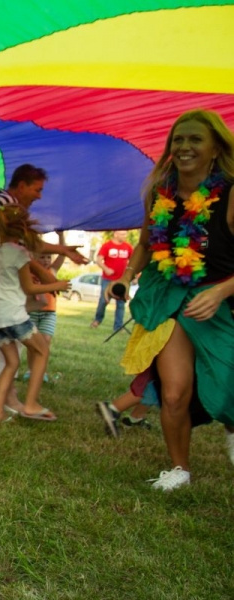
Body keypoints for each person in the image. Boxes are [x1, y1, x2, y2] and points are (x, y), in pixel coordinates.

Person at [112, 109, 234, 491]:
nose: (184, 146)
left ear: (215, 148)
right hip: (170, 299)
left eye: (195, 139)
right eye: (178, 139)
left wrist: (220, 291)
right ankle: (179, 469)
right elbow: (146, 244)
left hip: (224, 300)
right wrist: (127, 275)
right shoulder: (159, 193)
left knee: (226, 386)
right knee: (174, 391)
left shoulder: (231, 193)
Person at [0, 164, 87, 411]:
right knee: (10, 339)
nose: (39, 196)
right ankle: (7, 396)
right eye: (37, 190)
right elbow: (20, 249)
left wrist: (60, 253)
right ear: (22, 185)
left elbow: (22, 247)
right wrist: (48, 275)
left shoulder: (5, 205)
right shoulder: (5, 207)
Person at [0, 206, 70, 423]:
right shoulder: (19, 253)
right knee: (42, 351)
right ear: (22, 228)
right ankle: (31, 404)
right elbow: (29, 288)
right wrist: (57, 285)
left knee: (11, 363)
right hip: (12, 315)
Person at [22, 237, 66, 382]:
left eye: (48, 257)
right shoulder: (29, 271)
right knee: (32, 344)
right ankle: (31, 370)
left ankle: (42, 372)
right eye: (42, 257)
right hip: (32, 312)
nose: (46, 260)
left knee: (45, 341)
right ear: (34, 257)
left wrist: (61, 235)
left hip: (49, 313)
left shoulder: (52, 271)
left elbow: (62, 254)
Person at [91, 230, 134, 331]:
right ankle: (97, 320)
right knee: (103, 301)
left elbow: (133, 261)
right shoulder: (107, 246)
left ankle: (118, 327)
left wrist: (133, 275)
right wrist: (106, 269)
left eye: (125, 234)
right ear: (115, 234)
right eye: (122, 234)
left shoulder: (127, 247)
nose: (125, 236)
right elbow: (99, 260)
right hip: (108, 279)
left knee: (121, 303)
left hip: (122, 280)